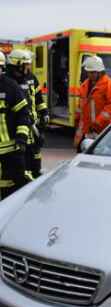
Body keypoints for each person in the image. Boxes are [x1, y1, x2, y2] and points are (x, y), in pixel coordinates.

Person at [6, 49, 48, 179]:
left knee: (35, 155)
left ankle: (35, 176)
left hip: (33, 128)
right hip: (19, 128)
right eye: (26, 64)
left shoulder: (31, 78)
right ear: (17, 64)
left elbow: (38, 98)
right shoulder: (8, 81)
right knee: (22, 162)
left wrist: (44, 113)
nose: (29, 67)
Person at [0, 51, 31, 199]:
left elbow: (23, 114)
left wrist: (21, 138)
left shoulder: (10, 87)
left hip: (10, 151)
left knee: (11, 188)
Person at [74, 56, 111, 150]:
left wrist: (97, 123)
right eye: (88, 72)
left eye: (92, 72)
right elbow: (81, 106)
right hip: (87, 130)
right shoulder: (84, 85)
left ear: (99, 72)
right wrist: (77, 119)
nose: (90, 75)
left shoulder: (109, 85)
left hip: (103, 130)